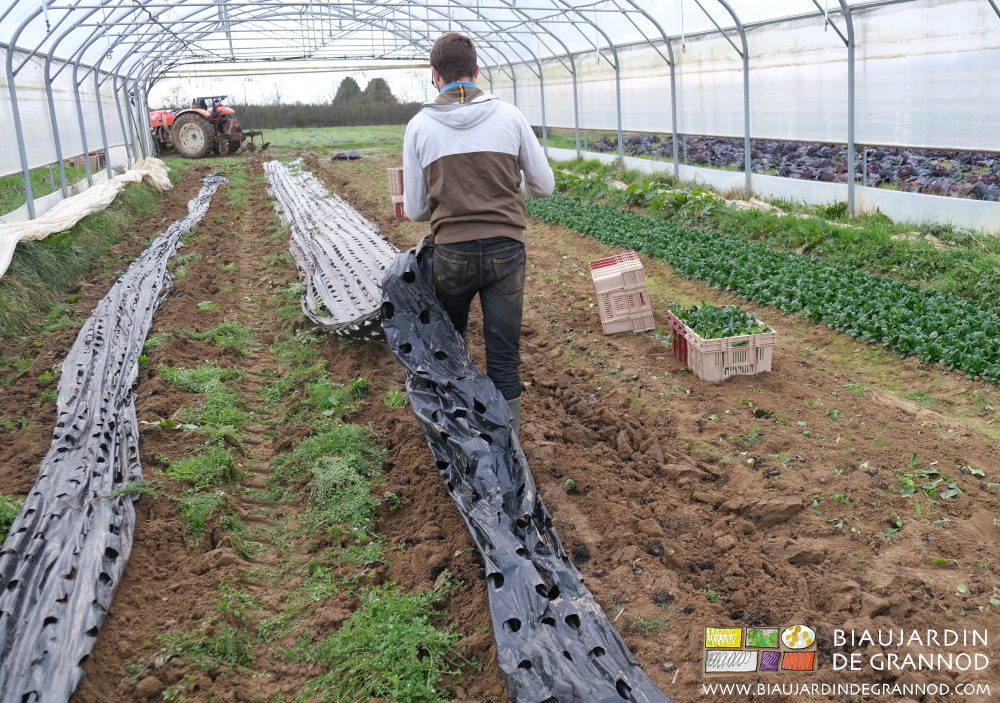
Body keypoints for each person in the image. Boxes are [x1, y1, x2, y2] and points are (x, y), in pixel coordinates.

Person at [403, 33, 554, 436]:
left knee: (451, 351)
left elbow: (417, 209)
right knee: (504, 357)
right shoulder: (510, 117)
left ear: (435, 76)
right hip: (507, 251)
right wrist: (501, 189)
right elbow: (544, 185)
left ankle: (463, 437)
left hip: (452, 254)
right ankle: (509, 452)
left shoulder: (419, 126)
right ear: (477, 71)